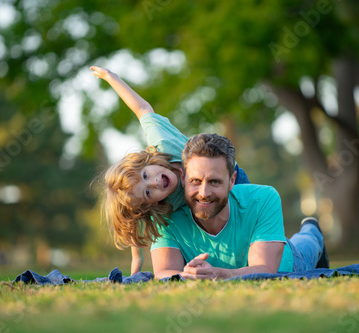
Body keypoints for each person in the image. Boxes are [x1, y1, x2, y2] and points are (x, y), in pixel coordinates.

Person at [90, 66, 250, 275]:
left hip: (231, 179)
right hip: (205, 211)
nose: (155, 182)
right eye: (148, 192)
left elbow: (142, 109)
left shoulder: (162, 142)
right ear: (151, 203)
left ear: (146, 162)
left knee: (247, 222)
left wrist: (112, 78)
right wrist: (137, 258)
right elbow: (133, 221)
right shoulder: (168, 207)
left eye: (146, 175)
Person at [151, 133, 329, 279]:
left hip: (288, 264)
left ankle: (312, 229)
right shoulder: (167, 219)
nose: (204, 192)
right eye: (195, 181)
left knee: (309, 242)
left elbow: (264, 269)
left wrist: (216, 274)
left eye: (214, 182)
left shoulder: (264, 198)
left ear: (232, 180)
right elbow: (164, 272)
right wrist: (190, 275)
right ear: (183, 178)